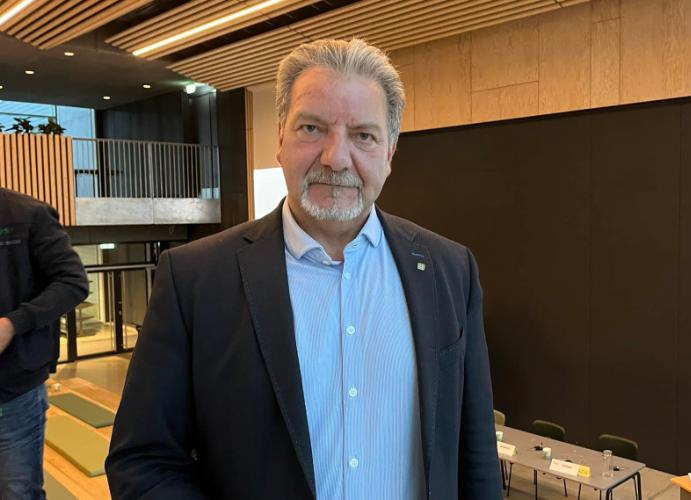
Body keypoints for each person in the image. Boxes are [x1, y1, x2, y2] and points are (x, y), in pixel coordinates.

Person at [106, 38, 502, 500]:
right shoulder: (193, 280)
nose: (336, 158)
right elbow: (143, 462)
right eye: (312, 128)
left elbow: (476, 457)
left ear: (390, 151)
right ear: (280, 139)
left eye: (363, 135)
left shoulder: (449, 270)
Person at [0, 188, 88, 499]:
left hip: (14, 389)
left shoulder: (28, 214)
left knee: (18, 492)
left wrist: (12, 324)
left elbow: (73, 282)